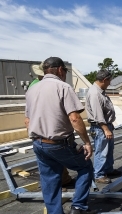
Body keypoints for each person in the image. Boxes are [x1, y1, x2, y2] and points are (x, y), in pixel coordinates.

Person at [25, 57, 97, 214]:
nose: (65, 74)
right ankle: (78, 206)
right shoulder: (63, 87)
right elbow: (74, 118)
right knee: (85, 167)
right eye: (64, 71)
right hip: (59, 143)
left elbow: (27, 120)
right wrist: (87, 142)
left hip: (39, 143)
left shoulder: (32, 90)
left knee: (49, 180)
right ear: (59, 70)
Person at [29, 61, 73, 191]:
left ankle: (62, 181)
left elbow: (28, 118)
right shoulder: (57, 86)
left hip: (39, 135)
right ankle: (57, 184)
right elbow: (72, 116)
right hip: (52, 135)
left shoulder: (33, 86)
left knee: (48, 163)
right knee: (56, 162)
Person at [86, 69, 121, 184]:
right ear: (104, 80)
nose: (109, 83)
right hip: (100, 128)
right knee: (101, 152)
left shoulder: (100, 91)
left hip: (105, 127)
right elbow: (98, 115)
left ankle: (108, 169)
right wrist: (106, 129)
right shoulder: (95, 93)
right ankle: (99, 175)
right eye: (109, 81)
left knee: (109, 150)